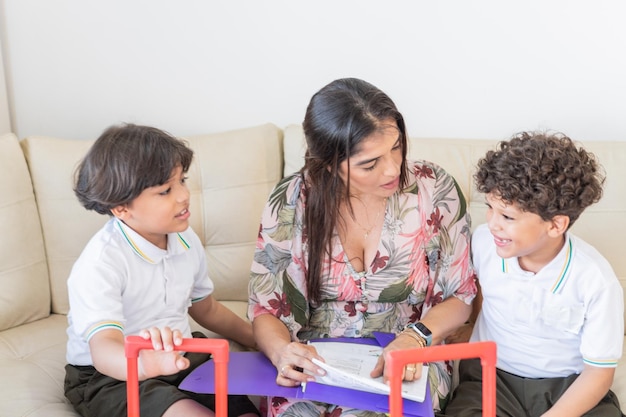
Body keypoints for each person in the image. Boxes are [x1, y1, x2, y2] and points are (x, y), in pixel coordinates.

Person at [247, 77, 477, 416]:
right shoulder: (293, 199)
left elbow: (462, 295)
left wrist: (416, 338)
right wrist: (282, 351)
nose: (392, 168)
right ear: (328, 164)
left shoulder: (434, 188)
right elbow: (266, 308)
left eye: (396, 147)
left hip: (408, 357)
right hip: (316, 363)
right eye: (369, 164)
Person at [64, 124, 260, 417]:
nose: (183, 195)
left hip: (180, 355)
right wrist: (145, 366)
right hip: (112, 373)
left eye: (182, 180)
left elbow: (205, 308)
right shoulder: (100, 263)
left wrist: (258, 340)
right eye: (166, 190)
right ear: (121, 208)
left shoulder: (184, 237)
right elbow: (104, 347)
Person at [445, 131, 624, 417]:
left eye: (507, 217)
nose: (492, 224)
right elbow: (478, 287)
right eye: (490, 208)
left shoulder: (596, 280)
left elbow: (598, 374)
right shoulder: (484, 242)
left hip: (569, 387)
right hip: (491, 377)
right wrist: (472, 324)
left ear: (555, 225)